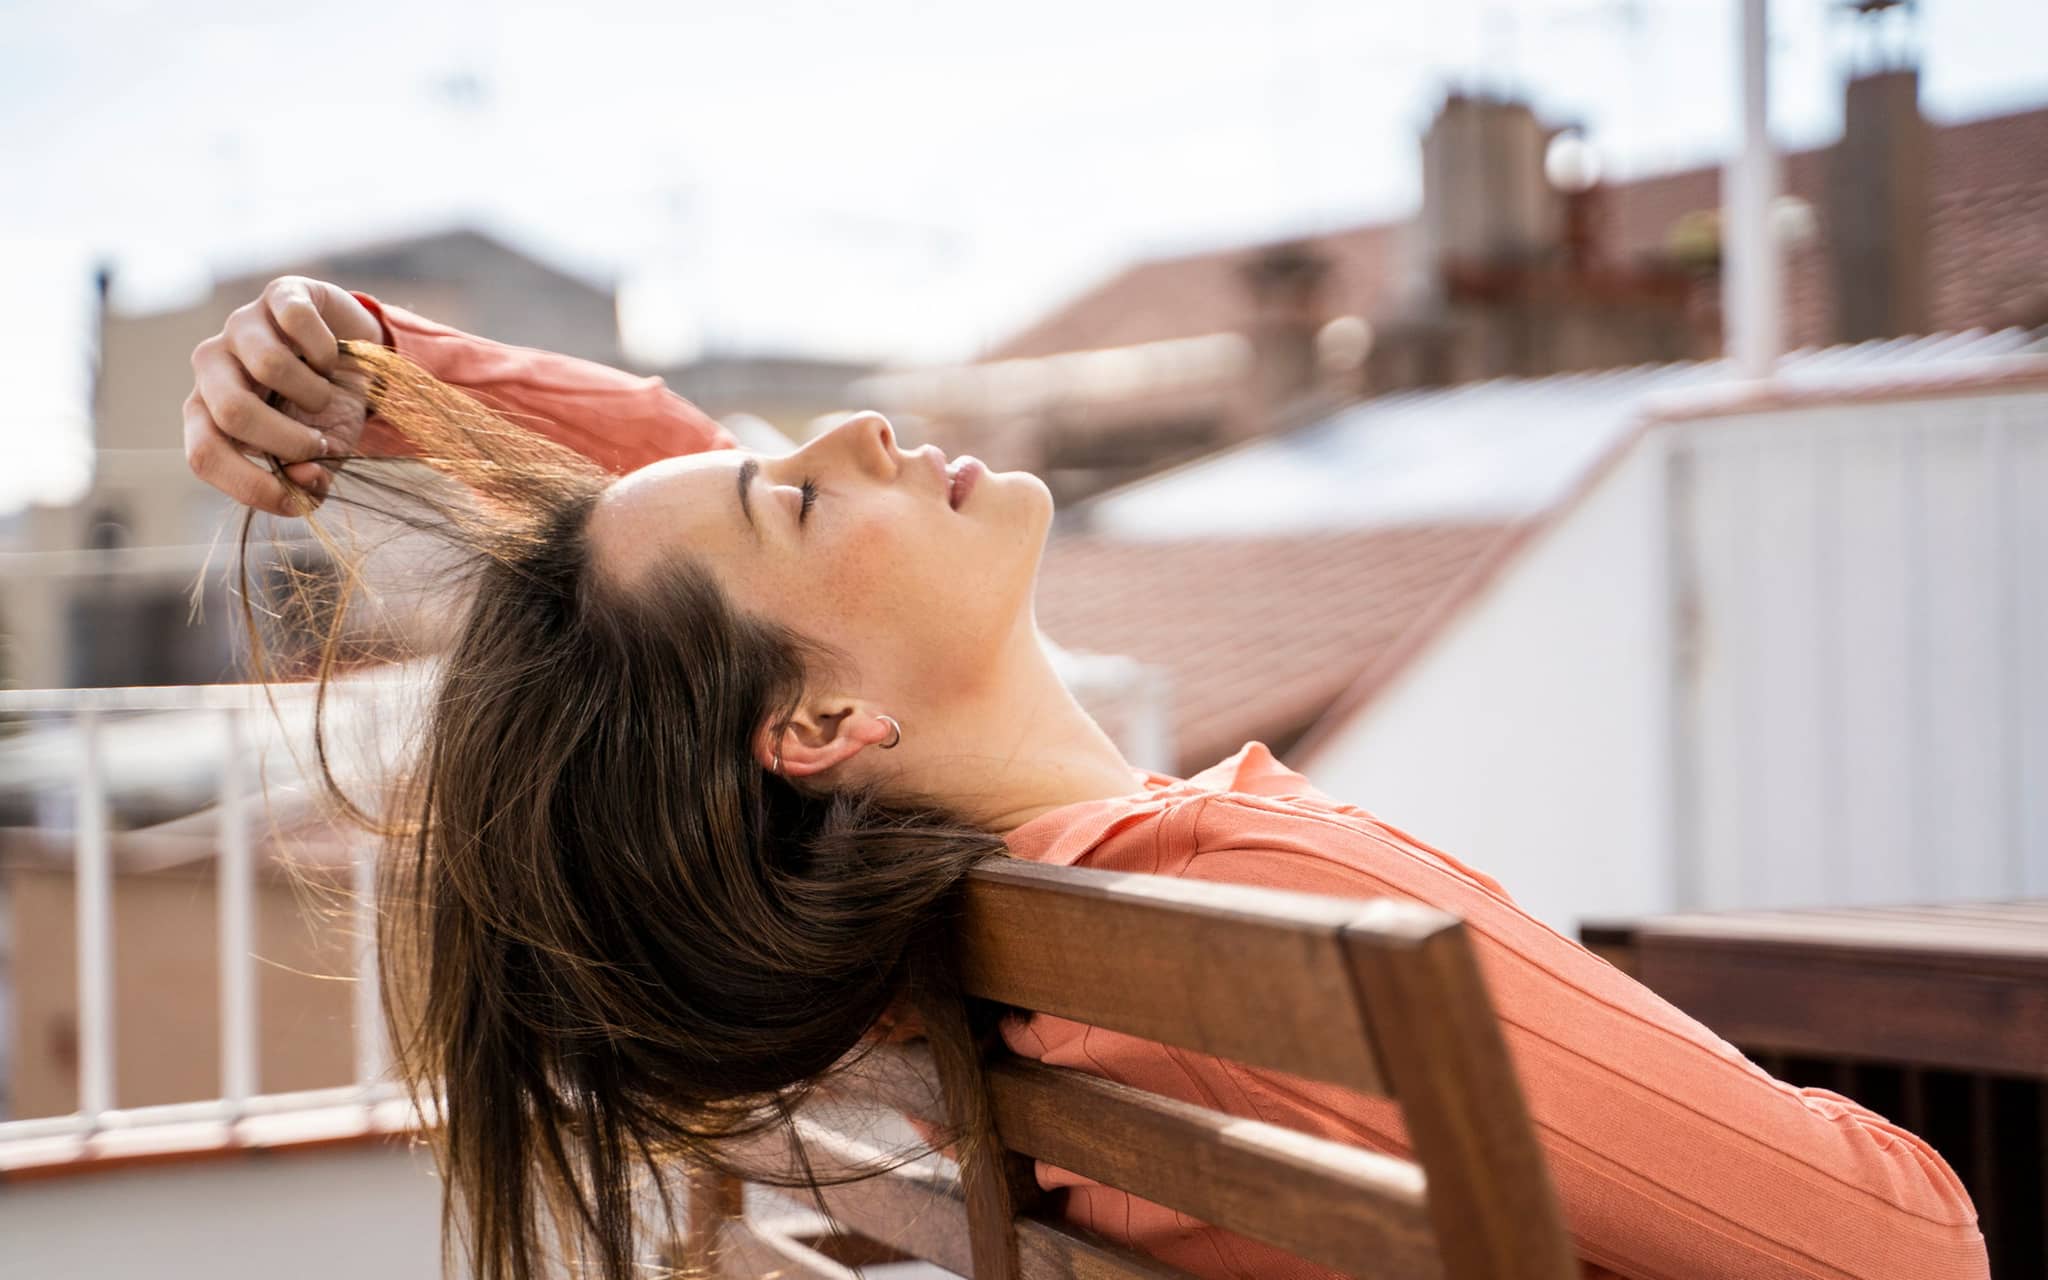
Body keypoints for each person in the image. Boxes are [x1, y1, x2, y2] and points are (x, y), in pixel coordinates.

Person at [184, 277, 1990, 1280]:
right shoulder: (1254, 896)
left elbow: (697, 544)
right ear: (817, 733)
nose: (860, 432)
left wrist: (384, 367)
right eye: (803, 488)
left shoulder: (982, 955)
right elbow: (1907, 1251)